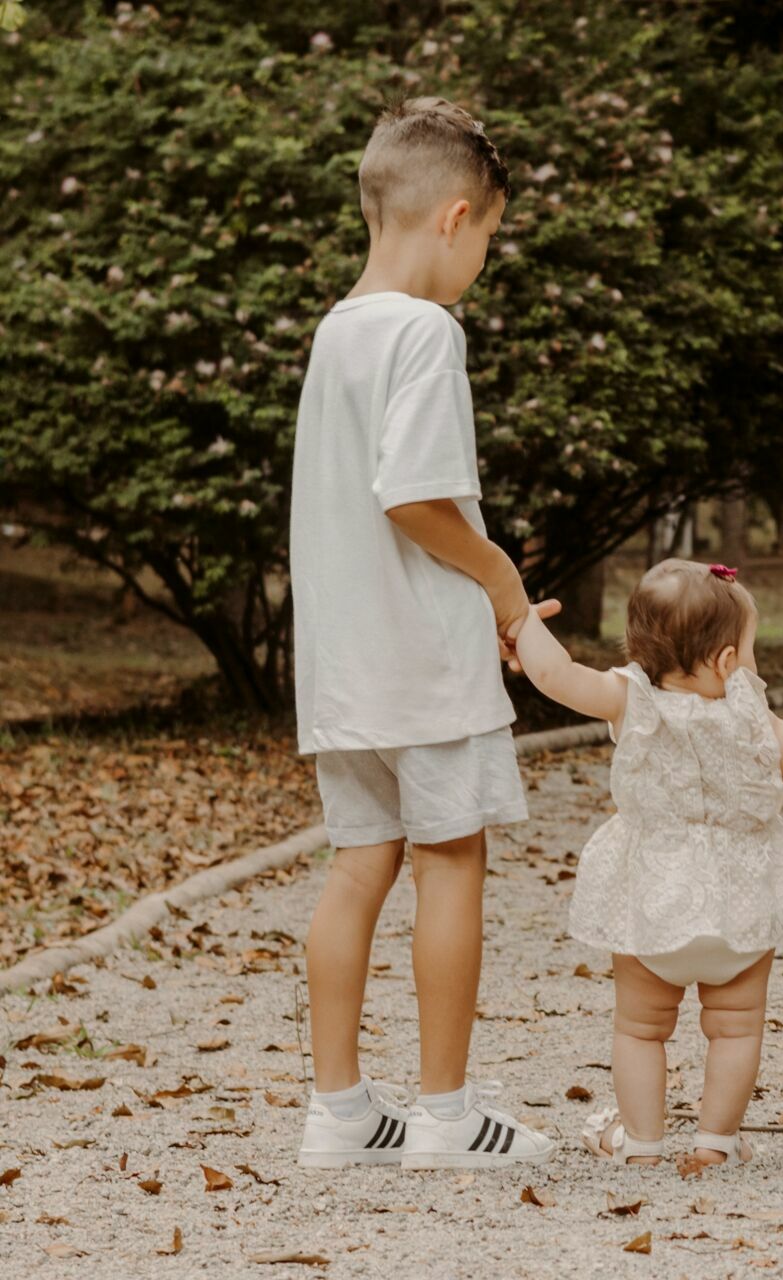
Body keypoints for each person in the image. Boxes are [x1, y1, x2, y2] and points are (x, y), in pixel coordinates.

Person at [292, 98, 558, 1169]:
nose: (483, 257)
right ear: (456, 216)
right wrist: (500, 578)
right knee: (453, 861)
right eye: (490, 235)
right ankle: (446, 1114)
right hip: (425, 662)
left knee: (358, 865)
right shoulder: (424, 331)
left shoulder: (337, 331)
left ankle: (339, 1110)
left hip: (345, 667)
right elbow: (416, 498)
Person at [509, 560, 783, 1176]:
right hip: (739, 908)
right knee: (736, 1029)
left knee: (640, 1029)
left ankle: (641, 1143)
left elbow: (553, 674)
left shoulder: (631, 700)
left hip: (652, 899)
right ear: (724, 661)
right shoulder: (749, 717)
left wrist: (524, 621)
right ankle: (715, 1142)